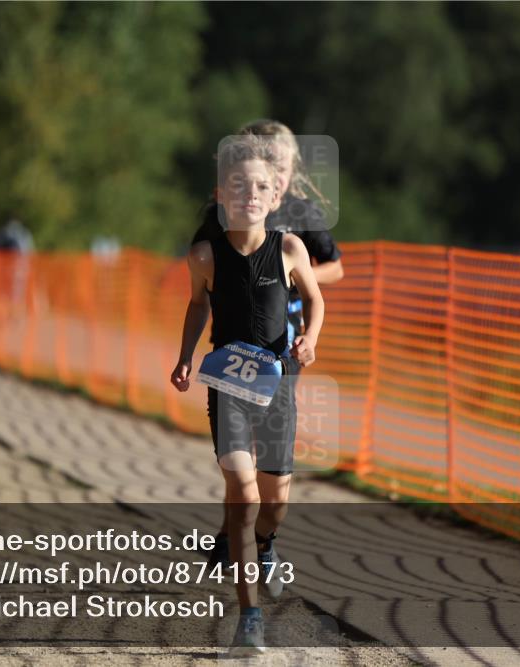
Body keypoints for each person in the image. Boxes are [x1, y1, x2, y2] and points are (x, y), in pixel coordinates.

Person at [170, 135, 324, 655]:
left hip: (277, 387)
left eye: (260, 186)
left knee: (274, 502)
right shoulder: (203, 256)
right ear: (222, 195)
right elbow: (197, 307)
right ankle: (249, 616)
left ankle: (266, 544)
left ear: (274, 196)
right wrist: (187, 355)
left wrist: (309, 339)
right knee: (243, 491)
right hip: (228, 388)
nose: (250, 194)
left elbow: (315, 299)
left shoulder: (288, 249)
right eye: (239, 186)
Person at [193, 120, 344, 570]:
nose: (272, 171)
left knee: (266, 448)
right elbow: (203, 265)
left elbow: (335, 268)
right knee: (239, 453)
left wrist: (293, 283)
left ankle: (262, 538)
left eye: (280, 162)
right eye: (267, 159)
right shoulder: (227, 205)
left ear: (291, 167)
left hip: (284, 343)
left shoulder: (299, 212)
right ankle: (231, 534)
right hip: (234, 344)